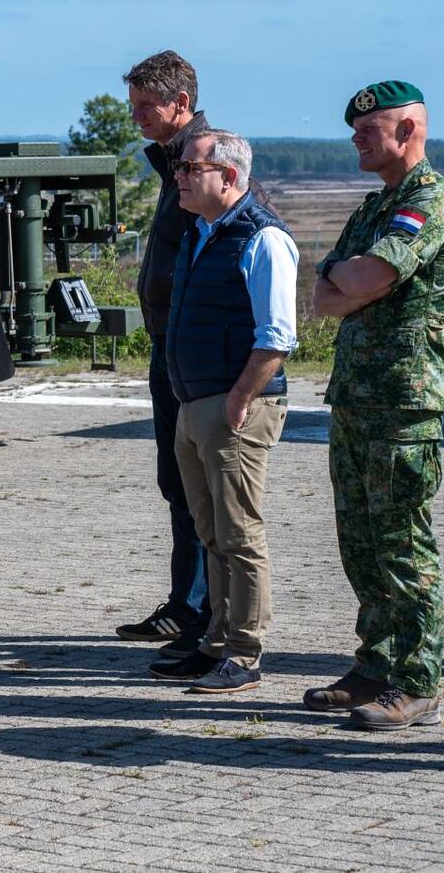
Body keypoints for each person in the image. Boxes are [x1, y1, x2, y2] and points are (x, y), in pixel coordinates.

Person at [305, 81, 444, 730]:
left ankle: (419, 679)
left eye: (367, 129)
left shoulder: (433, 202)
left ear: (407, 131)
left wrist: (354, 282)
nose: (355, 139)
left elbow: (365, 278)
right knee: (362, 546)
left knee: (403, 546)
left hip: (404, 402)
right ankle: (374, 664)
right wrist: (348, 282)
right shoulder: (374, 209)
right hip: (354, 397)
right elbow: (323, 294)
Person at [146, 130, 296, 695]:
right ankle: (215, 640)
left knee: (239, 533)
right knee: (210, 531)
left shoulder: (262, 239)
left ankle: (245, 653)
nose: (179, 175)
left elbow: (278, 335)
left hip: (235, 406)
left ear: (228, 176)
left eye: (190, 166)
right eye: (180, 167)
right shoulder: (201, 233)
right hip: (195, 403)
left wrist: (239, 399)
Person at [114, 50, 213, 659]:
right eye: (134, 108)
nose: (137, 119)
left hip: (192, 350)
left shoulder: (207, 159)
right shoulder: (174, 159)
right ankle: (186, 604)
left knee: (195, 485)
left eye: (147, 107)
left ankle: (200, 612)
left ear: (182, 104)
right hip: (169, 345)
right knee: (177, 482)